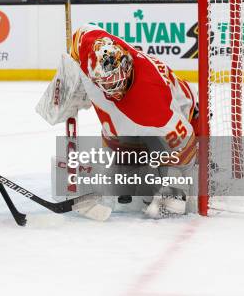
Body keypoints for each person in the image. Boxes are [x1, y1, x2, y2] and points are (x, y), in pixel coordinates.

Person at [53, 24, 197, 218]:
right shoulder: (89, 44)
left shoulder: (151, 104)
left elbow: (186, 150)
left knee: (168, 191)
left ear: (127, 65)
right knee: (118, 176)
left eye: (117, 83)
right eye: (107, 85)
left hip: (185, 117)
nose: (114, 90)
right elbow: (80, 38)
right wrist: (70, 82)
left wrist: (174, 189)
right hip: (138, 122)